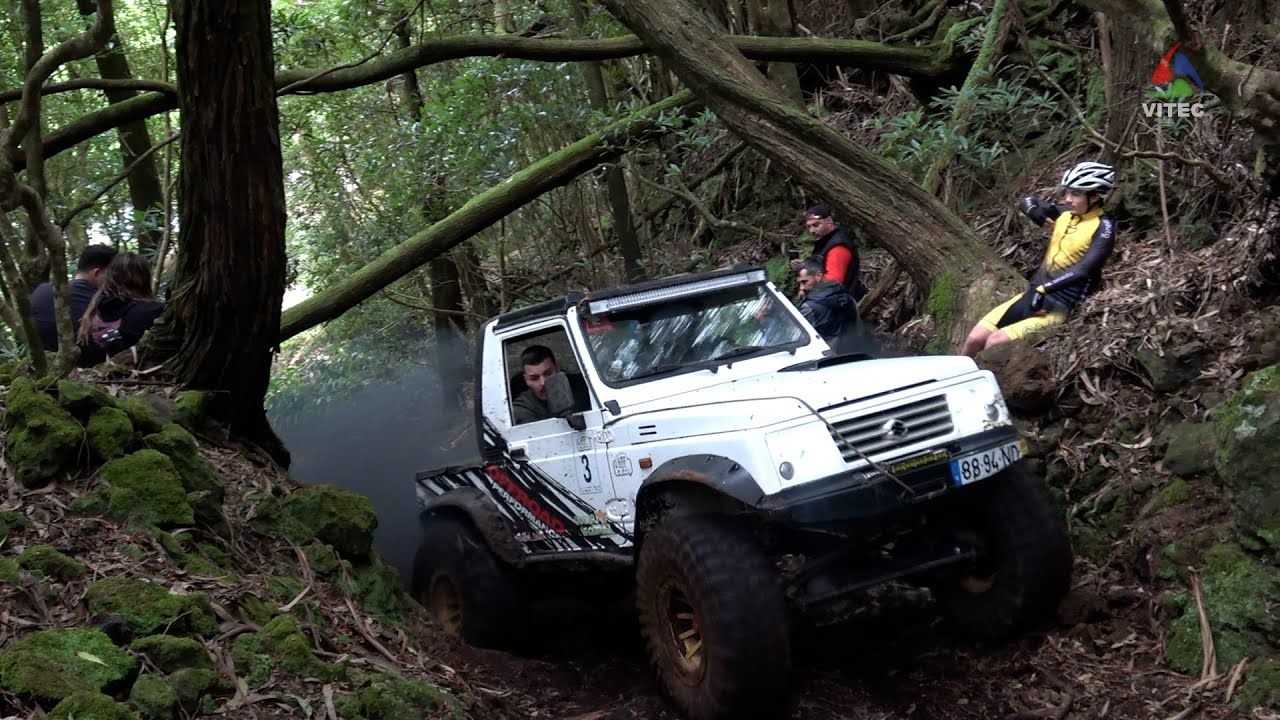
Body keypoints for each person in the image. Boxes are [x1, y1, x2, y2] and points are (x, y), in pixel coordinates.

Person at [962, 161, 1118, 356]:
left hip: (1061, 307)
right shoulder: (1065, 214)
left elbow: (1084, 269)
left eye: (1076, 194)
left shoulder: (1104, 228)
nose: (1068, 199)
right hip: (1033, 295)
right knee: (974, 339)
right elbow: (1027, 200)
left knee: (995, 342)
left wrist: (1044, 289)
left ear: (1094, 197)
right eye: (1067, 192)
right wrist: (1033, 211)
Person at [75, 252, 165, 367]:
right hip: (136, 379)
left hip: (93, 379)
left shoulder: (93, 311)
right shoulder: (153, 311)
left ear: (110, 278)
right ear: (145, 279)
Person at [29, 244, 117, 352]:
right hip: (90, 363)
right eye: (115, 275)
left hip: (44, 362)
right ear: (97, 273)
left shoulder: (41, 291)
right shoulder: (105, 300)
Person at [792, 205, 866, 301]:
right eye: (809, 227)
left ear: (829, 221)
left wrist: (807, 281)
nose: (812, 231)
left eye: (816, 225)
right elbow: (822, 263)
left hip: (841, 303)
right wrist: (805, 267)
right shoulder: (826, 240)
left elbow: (833, 283)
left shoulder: (838, 247)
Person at [511, 345, 591, 425]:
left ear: (557, 368)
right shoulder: (523, 408)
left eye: (548, 374)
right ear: (526, 380)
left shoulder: (584, 386)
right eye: (534, 378)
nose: (543, 383)